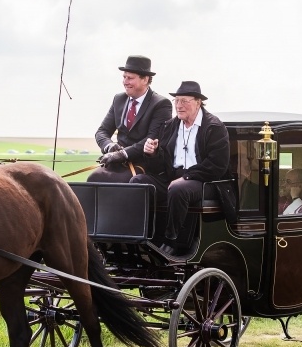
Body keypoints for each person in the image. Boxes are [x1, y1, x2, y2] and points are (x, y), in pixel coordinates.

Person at [131, 81, 230, 257]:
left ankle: (171, 241)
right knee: (138, 182)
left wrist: (187, 176)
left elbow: (217, 165)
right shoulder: (170, 126)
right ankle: (141, 236)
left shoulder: (214, 127)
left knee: (178, 189)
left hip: (203, 181)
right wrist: (152, 153)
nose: (179, 105)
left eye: (184, 101)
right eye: (176, 101)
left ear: (198, 102)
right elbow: (160, 167)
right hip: (172, 178)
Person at [87, 55, 172, 183]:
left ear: (145, 79)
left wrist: (123, 154)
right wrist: (110, 146)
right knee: (93, 178)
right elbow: (102, 132)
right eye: (124, 77)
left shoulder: (161, 104)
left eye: (130, 78)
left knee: (120, 183)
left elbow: (151, 139)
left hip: (142, 164)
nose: (125, 82)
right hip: (116, 163)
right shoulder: (118, 99)